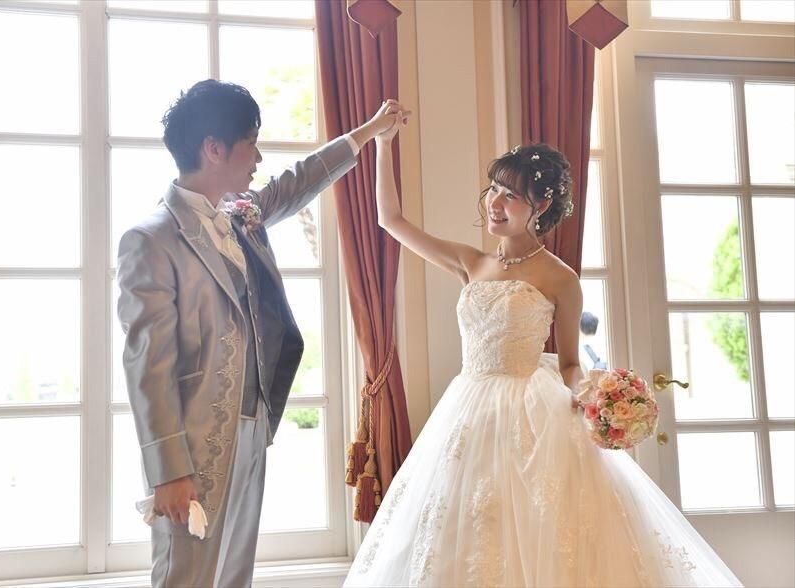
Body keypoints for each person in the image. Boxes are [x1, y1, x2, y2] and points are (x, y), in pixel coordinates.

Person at [343, 100, 742, 588]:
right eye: (494, 189)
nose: (495, 202)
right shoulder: (472, 262)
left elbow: (571, 363)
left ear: (542, 206)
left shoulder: (561, 278)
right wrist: (384, 145)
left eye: (511, 195)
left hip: (532, 415)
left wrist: (596, 397)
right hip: (468, 409)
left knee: (542, 537)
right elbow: (390, 221)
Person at [116, 80, 395, 587]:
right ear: (214, 148)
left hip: (253, 426)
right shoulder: (151, 239)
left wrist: (368, 132)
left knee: (234, 575)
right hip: (193, 441)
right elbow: (147, 366)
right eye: (251, 142)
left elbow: (298, 182)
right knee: (186, 577)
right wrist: (168, 470)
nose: (259, 157)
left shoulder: (241, 213)